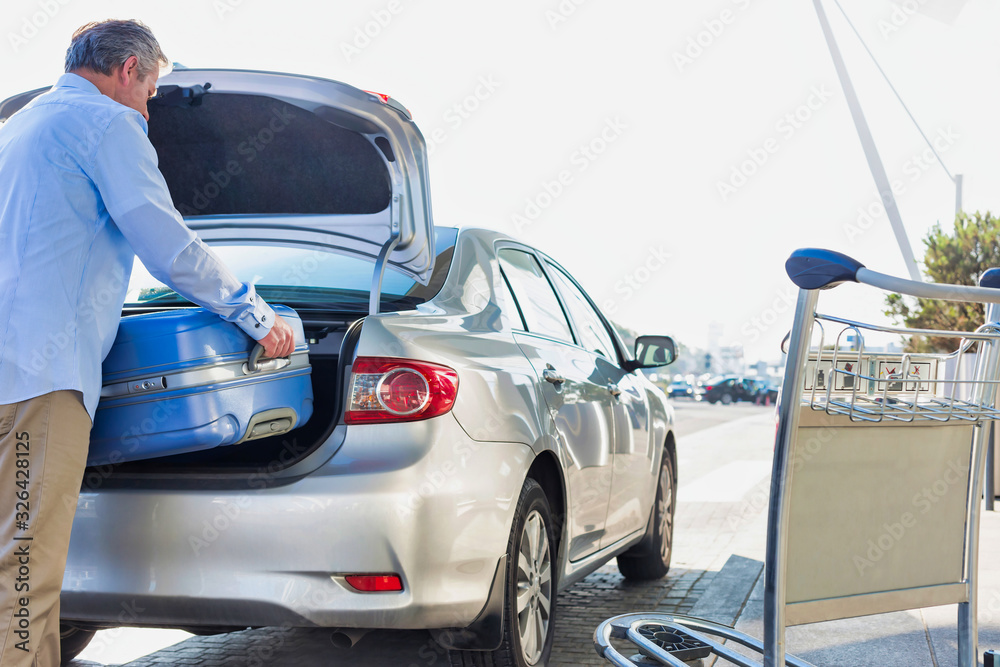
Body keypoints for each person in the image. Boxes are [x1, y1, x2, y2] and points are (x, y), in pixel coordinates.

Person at [0, 19, 294, 666]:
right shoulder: (108, 124)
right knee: (23, 571)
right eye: (152, 90)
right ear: (128, 70)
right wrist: (256, 317)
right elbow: (166, 245)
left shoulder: (17, 125)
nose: (150, 106)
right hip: (37, 378)